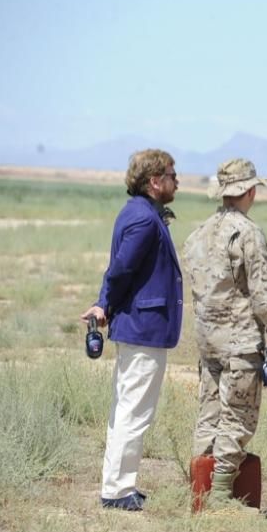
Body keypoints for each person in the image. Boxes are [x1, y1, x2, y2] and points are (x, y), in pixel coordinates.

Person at [80, 149, 183, 511]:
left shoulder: (139, 213)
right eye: (171, 174)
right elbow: (121, 269)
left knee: (128, 408)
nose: (177, 180)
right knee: (133, 411)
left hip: (139, 326)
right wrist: (103, 303)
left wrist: (105, 304)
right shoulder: (143, 219)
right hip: (143, 328)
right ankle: (117, 492)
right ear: (155, 181)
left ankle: (119, 485)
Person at [183, 158, 267, 505]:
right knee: (238, 417)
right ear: (250, 191)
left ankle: (199, 491)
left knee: (209, 415)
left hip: (207, 340)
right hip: (240, 341)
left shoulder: (199, 233)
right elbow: (261, 293)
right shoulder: (248, 233)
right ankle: (222, 497)